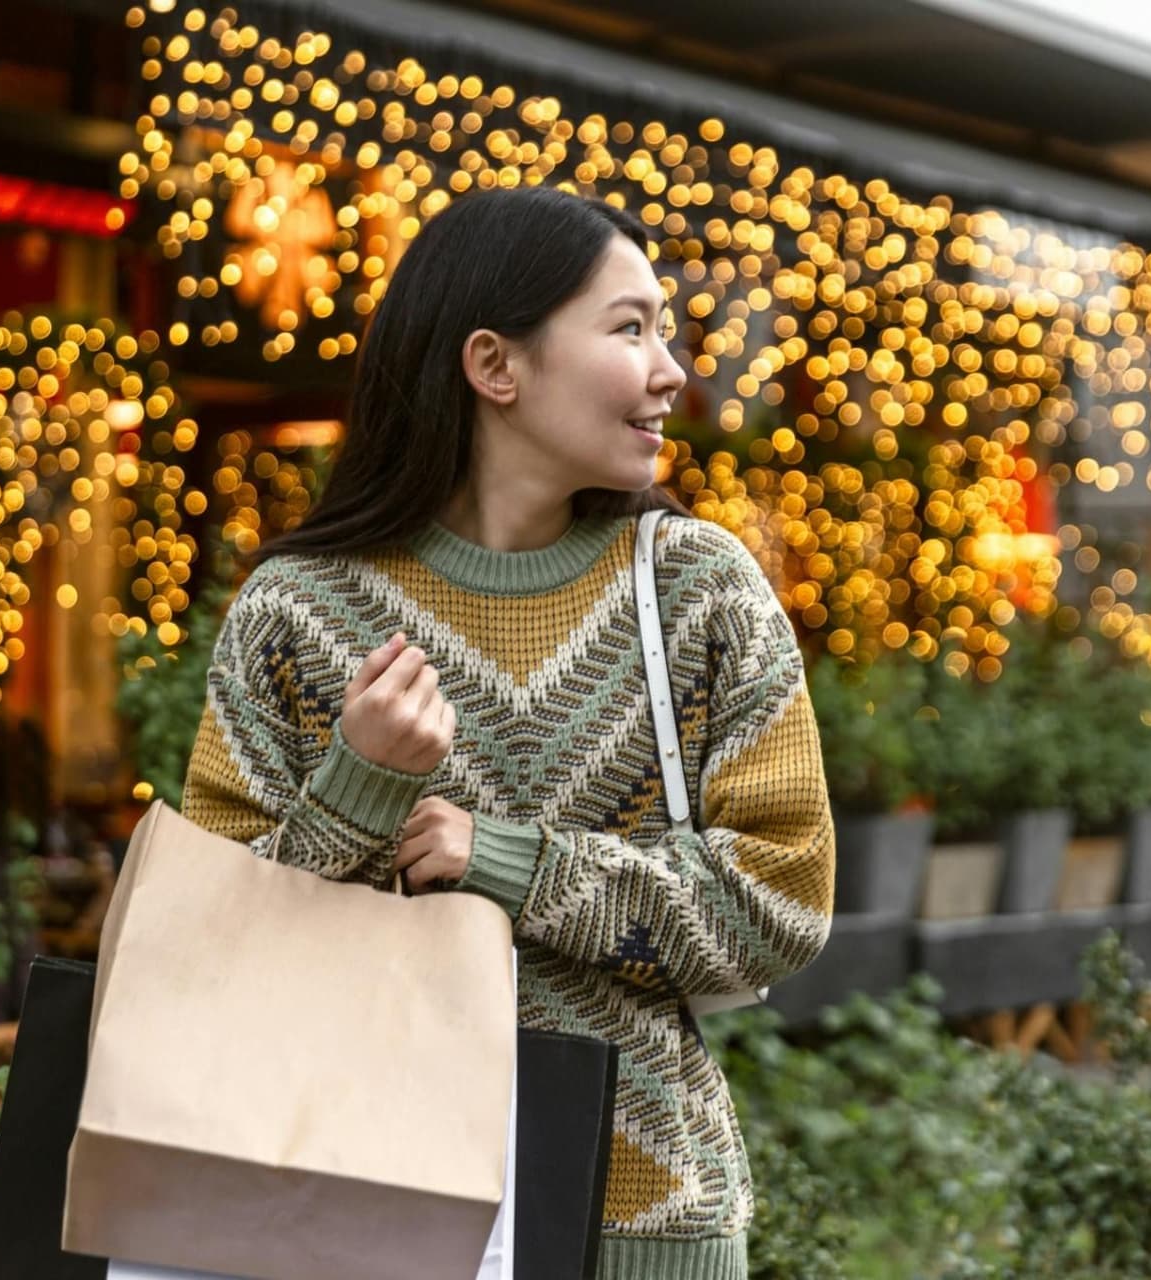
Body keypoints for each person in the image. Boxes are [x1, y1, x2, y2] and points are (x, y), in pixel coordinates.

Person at [180, 187, 835, 1279]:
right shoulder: (295, 610)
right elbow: (209, 949)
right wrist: (356, 792)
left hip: (641, 1226)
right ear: (496, 365)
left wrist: (512, 863)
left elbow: (782, 903)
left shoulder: (699, 589)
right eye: (630, 328)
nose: (671, 368)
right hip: (357, 1206)